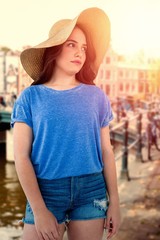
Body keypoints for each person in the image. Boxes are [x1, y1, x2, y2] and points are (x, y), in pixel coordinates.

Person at [11, 7, 120, 240]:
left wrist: (115, 204)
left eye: (83, 47)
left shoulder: (97, 96)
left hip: (92, 190)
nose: (79, 52)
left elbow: (106, 151)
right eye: (71, 44)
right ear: (54, 49)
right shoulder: (30, 97)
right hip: (46, 192)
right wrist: (39, 210)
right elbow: (21, 156)